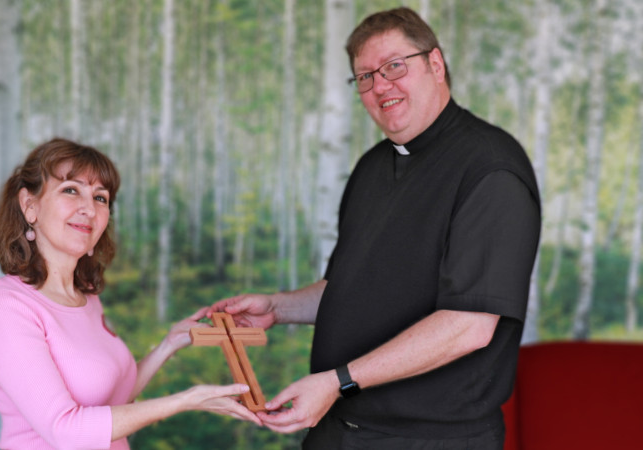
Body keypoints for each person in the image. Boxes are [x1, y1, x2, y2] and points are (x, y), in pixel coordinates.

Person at [210, 7, 540, 449]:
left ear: (436, 64)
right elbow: (350, 290)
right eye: (365, 77)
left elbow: (469, 325)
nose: (380, 86)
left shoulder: (490, 169)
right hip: (337, 430)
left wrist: (339, 381)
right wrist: (278, 307)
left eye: (394, 66)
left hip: (428, 440)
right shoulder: (372, 167)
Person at [0, 138, 261, 450]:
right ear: (30, 205)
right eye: (71, 190)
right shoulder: (6, 308)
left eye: (100, 198)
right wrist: (185, 401)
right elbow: (65, 430)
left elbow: (112, 403)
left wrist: (170, 343)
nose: (89, 209)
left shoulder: (86, 298)